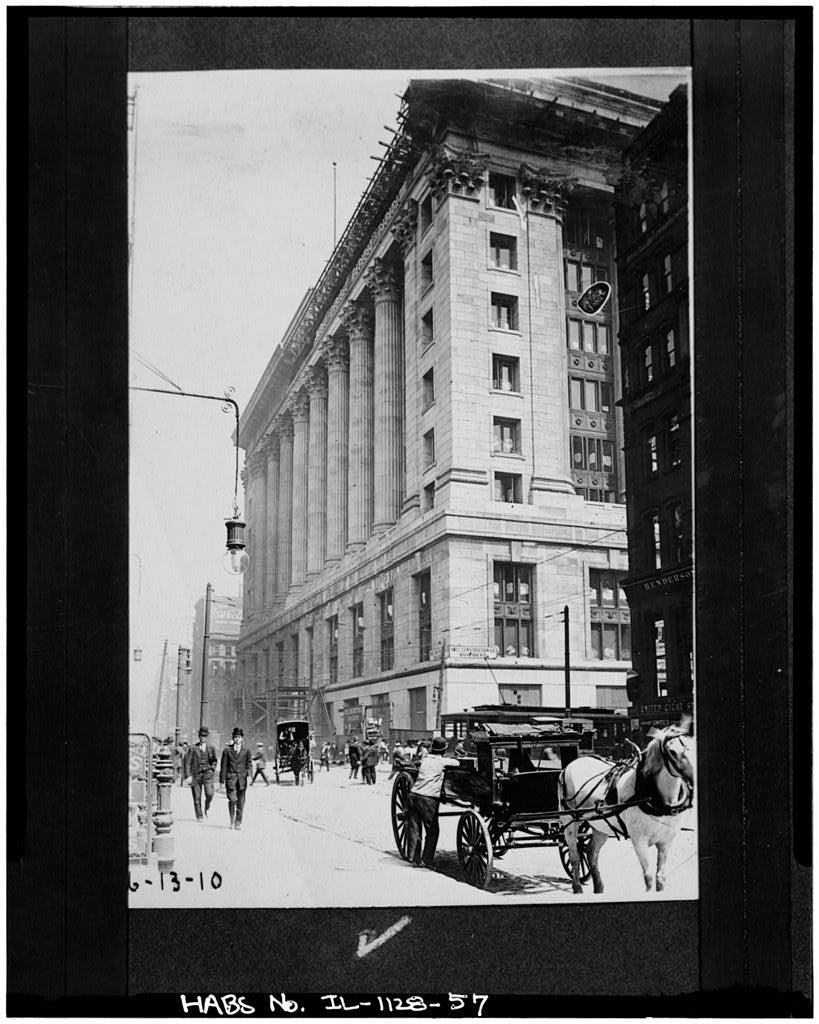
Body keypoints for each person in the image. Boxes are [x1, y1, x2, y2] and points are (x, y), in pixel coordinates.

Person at [405, 735, 459, 870]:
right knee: (433, 830)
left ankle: (414, 858)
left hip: (413, 795)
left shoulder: (426, 759)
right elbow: (457, 763)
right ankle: (427, 860)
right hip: (427, 798)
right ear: (444, 750)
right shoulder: (442, 761)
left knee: (414, 828)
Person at [219, 727, 253, 830]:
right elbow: (223, 766)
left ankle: (238, 822)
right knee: (232, 800)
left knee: (241, 802)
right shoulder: (227, 751)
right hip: (231, 779)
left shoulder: (246, 751)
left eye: (239, 737)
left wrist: (250, 775)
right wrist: (222, 781)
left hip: (242, 780)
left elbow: (249, 764)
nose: (237, 739)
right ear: (233, 738)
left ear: (242, 738)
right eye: (235, 737)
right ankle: (231, 820)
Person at [183, 727, 218, 822]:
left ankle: (207, 806)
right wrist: (188, 776)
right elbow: (188, 762)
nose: (203, 738)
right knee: (197, 797)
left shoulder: (211, 748)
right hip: (196, 775)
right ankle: (199, 816)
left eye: (205, 736)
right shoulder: (193, 748)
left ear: (207, 737)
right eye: (201, 736)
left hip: (207, 774)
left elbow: (214, 760)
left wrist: (212, 769)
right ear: (199, 736)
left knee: (210, 793)